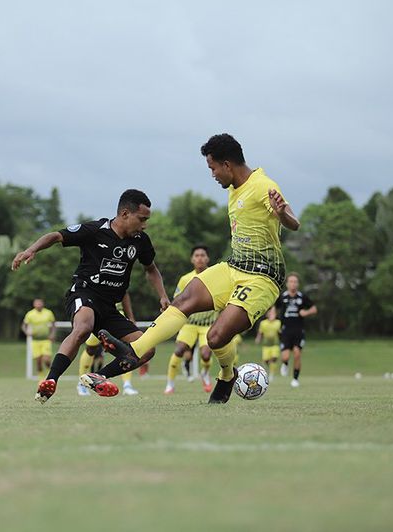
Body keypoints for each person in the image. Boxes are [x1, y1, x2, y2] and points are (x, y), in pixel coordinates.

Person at [99, 134, 300, 404]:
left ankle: (227, 376)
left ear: (227, 165)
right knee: (184, 299)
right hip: (233, 266)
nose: (212, 174)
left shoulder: (263, 186)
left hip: (262, 277)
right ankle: (134, 352)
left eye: (212, 167)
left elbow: (293, 222)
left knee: (216, 338)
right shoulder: (234, 189)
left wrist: (282, 213)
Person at [11, 189, 170, 403]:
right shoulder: (95, 230)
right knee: (84, 327)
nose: (144, 225)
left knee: (147, 349)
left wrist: (162, 296)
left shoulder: (140, 241)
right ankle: (50, 381)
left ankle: (98, 376)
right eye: (141, 219)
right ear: (124, 214)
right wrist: (31, 250)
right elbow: (56, 236)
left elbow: (151, 269)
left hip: (109, 308)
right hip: (84, 292)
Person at [164, 245, 216, 395]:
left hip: (208, 325)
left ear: (208, 258)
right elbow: (177, 300)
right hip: (189, 324)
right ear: (192, 259)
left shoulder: (214, 275)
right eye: (196, 255)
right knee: (179, 350)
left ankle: (205, 374)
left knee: (206, 355)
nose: (200, 258)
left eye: (202, 255)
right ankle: (170, 384)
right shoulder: (185, 279)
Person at [77, 294, 139, 396]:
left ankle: (127, 385)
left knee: (129, 351)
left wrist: (131, 317)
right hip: (100, 317)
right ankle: (81, 384)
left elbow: (124, 294)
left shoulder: (120, 281)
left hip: (118, 317)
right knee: (90, 349)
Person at [275, 273, 317, 388]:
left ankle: (295, 379)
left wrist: (306, 312)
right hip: (285, 331)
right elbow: (274, 307)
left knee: (297, 354)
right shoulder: (282, 297)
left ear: (298, 284)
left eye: (295, 282)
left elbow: (314, 308)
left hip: (298, 331)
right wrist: (273, 315)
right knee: (285, 356)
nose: (293, 284)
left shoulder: (302, 297)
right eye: (291, 281)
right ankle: (285, 363)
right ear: (287, 284)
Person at [21, 298, 56, 379]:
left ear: (43, 304)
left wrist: (52, 334)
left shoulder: (48, 313)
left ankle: (51, 374)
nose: (38, 305)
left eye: (40, 303)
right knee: (38, 361)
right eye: (37, 303)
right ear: (34, 305)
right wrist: (27, 332)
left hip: (46, 340)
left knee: (46, 360)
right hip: (35, 341)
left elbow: (54, 324)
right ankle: (40, 379)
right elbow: (23, 326)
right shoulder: (30, 314)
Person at [256, 307, 281, 381]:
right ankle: (267, 370)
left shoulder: (278, 323)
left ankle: (272, 374)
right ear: (267, 314)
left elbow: (280, 333)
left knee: (274, 358)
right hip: (266, 345)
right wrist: (258, 338)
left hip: (275, 345)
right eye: (270, 313)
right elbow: (260, 332)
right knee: (266, 360)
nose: (272, 315)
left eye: (273, 313)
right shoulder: (263, 323)